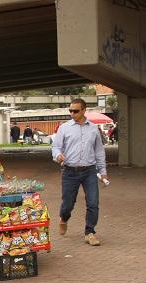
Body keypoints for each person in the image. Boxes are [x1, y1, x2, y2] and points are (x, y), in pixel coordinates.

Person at [52, 98, 108, 246]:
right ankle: (64, 218)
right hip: (69, 171)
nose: (72, 113)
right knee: (68, 204)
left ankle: (90, 232)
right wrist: (57, 155)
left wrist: (102, 171)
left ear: (83, 110)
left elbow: (99, 151)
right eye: (70, 110)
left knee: (93, 203)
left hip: (89, 171)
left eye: (75, 111)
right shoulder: (64, 128)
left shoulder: (93, 129)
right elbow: (56, 147)